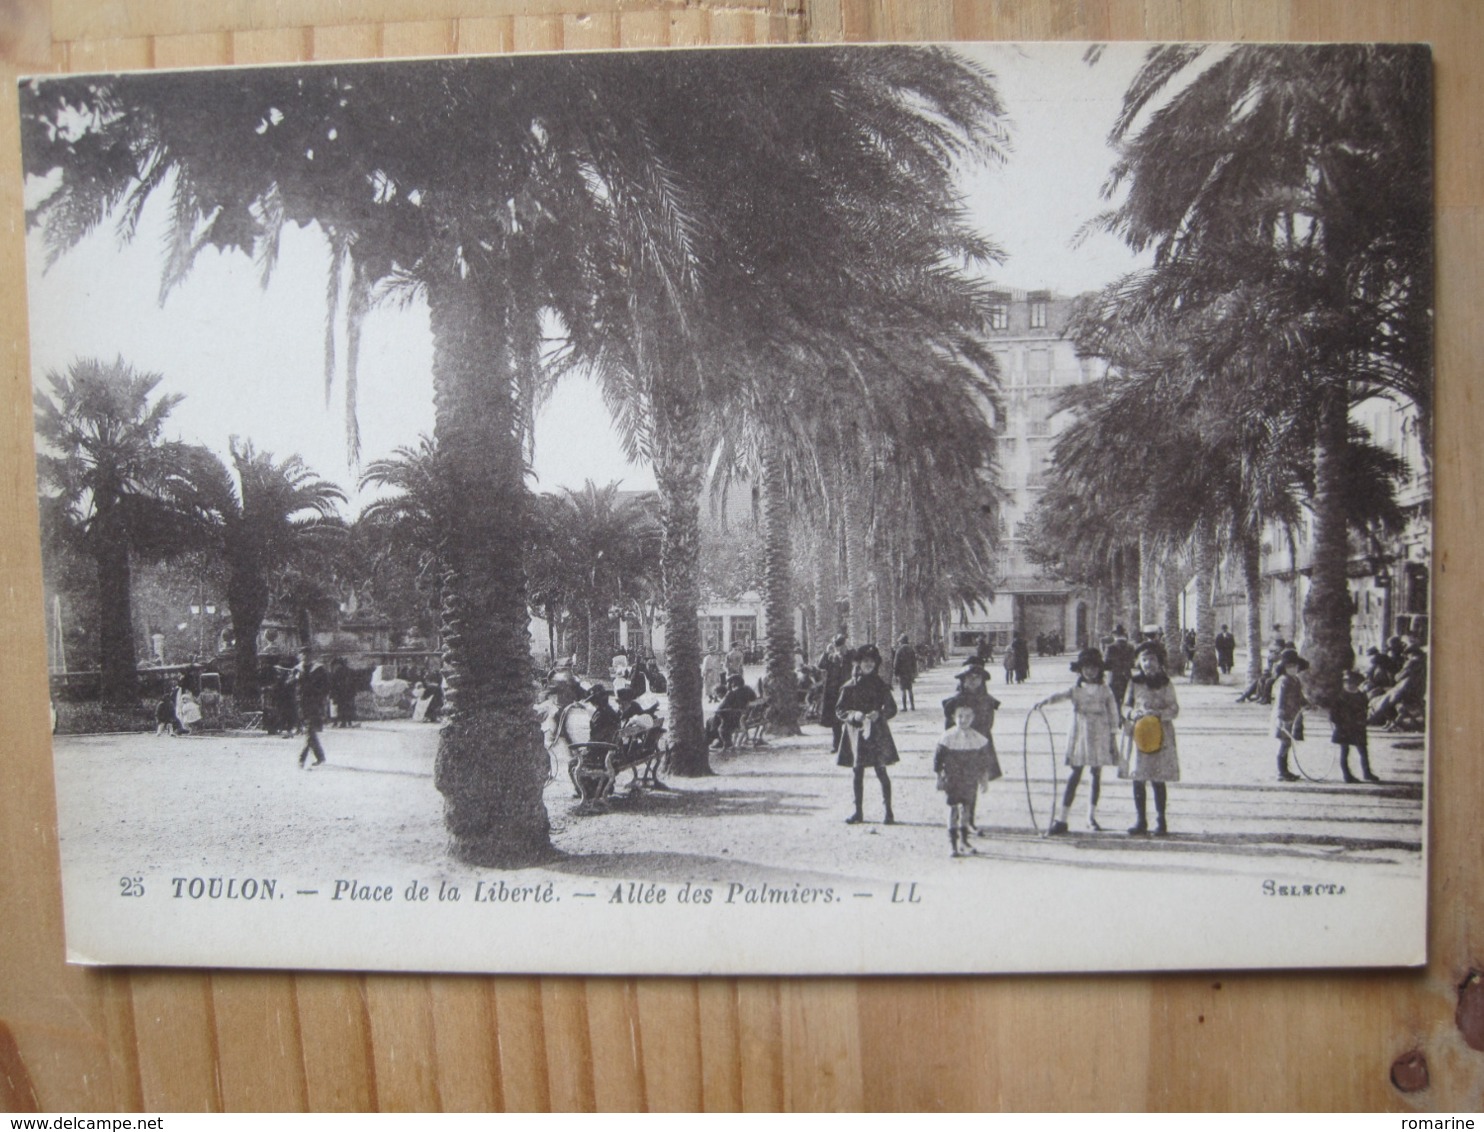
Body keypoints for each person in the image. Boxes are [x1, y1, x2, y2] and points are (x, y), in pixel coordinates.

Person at [1035, 647, 1121, 834]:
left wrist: (1113, 736)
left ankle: (1091, 817)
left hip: (1100, 734)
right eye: (1086, 668)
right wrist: (1044, 701)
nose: (1090, 671)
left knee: (1096, 775)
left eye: (1094, 668)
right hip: (1080, 735)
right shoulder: (1075, 690)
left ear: (1100, 669)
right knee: (1075, 774)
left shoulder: (1105, 690)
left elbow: (1114, 713)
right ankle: (1062, 819)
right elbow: (1059, 696)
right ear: (1080, 670)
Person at [1120, 641, 1179, 836]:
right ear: (1138, 662)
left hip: (1161, 735)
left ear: (1159, 661)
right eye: (1144, 659)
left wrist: (1159, 714)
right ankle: (1141, 820)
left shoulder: (1166, 683)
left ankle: (1161, 820)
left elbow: (1174, 708)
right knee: (1139, 778)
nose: (1148, 663)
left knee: (1157, 779)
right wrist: (1131, 714)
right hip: (1139, 735)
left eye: (1152, 659)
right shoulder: (1134, 683)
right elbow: (1125, 706)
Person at [835, 643, 899, 825]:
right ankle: (858, 812)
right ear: (858, 663)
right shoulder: (848, 687)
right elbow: (839, 710)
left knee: (881, 771)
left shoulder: (881, 685)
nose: (869, 665)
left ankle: (888, 812)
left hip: (877, 732)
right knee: (858, 773)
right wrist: (853, 715)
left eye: (872, 662)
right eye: (865, 662)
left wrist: (880, 714)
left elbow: (892, 708)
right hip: (856, 734)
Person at [941, 658, 1001, 834]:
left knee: (973, 784)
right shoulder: (956, 701)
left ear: (982, 681)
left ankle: (969, 821)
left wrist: (978, 738)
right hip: (958, 748)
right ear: (962, 680)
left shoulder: (987, 700)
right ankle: (955, 820)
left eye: (976, 678)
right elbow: (948, 726)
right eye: (968, 678)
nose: (972, 681)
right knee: (956, 784)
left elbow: (989, 722)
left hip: (977, 747)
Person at [934, 704, 1000, 856]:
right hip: (952, 778)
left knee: (966, 809)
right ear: (953, 718)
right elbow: (938, 760)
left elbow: (984, 762)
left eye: (968, 717)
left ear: (973, 718)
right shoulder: (947, 738)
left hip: (969, 779)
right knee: (953, 809)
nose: (963, 720)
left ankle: (964, 841)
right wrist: (939, 777)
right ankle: (952, 844)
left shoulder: (977, 739)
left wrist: (984, 780)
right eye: (960, 716)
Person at [1331, 670, 1380, 784]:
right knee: (1345, 751)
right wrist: (1341, 723)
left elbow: (1365, 709)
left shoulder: (1361, 696)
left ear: (1357, 683)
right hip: (1344, 728)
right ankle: (1347, 776)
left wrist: (1364, 719)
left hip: (1358, 727)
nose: (1350, 685)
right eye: (1347, 682)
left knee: (1363, 750)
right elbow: (1333, 715)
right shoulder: (1340, 697)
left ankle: (1367, 773)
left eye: (1352, 683)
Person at [1272, 647, 1309, 782]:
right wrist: (1281, 715)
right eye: (1289, 667)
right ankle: (1281, 771)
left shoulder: (1296, 680)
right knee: (1284, 743)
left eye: (1295, 666)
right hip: (1286, 716)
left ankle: (1285, 770)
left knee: (1288, 743)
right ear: (1284, 668)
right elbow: (1281, 699)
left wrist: (1307, 704)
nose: (1292, 669)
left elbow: (1299, 696)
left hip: (1295, 715)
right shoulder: (1285, 681)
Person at [294, 647, 329, 768]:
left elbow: (325, 687)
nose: (304, 657)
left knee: (309, 731)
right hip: (301, 704)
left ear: (311, 655)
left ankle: (301, 759)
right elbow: (290, 685)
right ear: (299, 656)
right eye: (302, 654)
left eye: (307, 654)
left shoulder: (318, 670)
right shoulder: (297, 669)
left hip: (314, 704)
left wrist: (320, 698)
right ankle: (320, 757)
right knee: (311, 732)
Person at [817, 634, 851, 754]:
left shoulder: (849, 657)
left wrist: (849, 650)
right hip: (833, 694)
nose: (840, 650)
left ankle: (849, 746)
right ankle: (837, 745)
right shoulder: (831, 658)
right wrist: (826, 652)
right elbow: (820, 665)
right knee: (835, 722)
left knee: (849, 719)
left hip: (847, 692)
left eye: (842, 646)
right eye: (838, 647)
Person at [707, 674, 758, 749]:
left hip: (733, 720)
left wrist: (727, 693)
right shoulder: (748, 690)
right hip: (745, 717)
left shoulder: (731, 693)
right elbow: (754, 699)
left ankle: (716, 741)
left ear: (733, 683)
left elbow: (720, 707)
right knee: (716, 718)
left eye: (728, 683)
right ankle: (718, 741)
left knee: (711, 720)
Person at [1104, 625, 1136, 718]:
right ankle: (1125, 716)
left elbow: (1106, 663)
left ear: (1115, 635)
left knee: (1115, 698)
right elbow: (1132, 663)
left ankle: (1117, 717)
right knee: (1127, 698)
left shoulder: (1110, 647)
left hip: (1114, 676)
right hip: (1127, 676)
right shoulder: (1130, 647)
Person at [891, 633, 918, 711]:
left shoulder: (899, 650)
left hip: (902, 673)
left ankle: (904, 707)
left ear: (901, 641)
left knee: (903, 690)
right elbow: (914, 661)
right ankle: (912, 706)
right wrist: (914, 671)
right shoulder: (911, 649)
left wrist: (895, 673)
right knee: (910, 689)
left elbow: (896, 663)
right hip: (909, 672)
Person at [329, 657, 358, 728]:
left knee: (341, 707)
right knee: (347, 707)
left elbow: (333, 683)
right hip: (346, 693)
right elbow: (354, 682)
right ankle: (346, 722)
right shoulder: (349, 671)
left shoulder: (338, 671)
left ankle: (342, 722)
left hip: (341, 693)